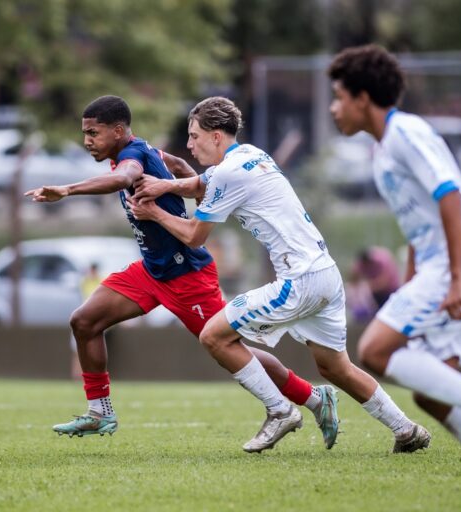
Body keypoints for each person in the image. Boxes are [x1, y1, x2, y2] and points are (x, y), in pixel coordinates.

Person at [25, 95, 339, 452]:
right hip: (151, 271)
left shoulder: (132, 158)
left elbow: (124, 178)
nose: (87, 141)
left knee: (230, 348)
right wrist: (197, 189)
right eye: (85, 133)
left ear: (117, 131)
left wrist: (66, 189)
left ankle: (313, 398)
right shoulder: (148, 152)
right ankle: (100, 411)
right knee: (84, 321)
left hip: (186, 274)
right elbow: (177, 165)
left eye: (93, 133)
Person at [129, 96, 429, 454]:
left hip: (299, 281)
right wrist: (166, 186)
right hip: (325, 274)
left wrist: (154, 213)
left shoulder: (227, 172)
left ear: (216, 136)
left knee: (213, 336)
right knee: (336, 368)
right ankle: (406, 429)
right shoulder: (250, 154)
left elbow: (195, 235)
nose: (190, 144)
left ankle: (280, 410)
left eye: (194, 136)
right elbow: (201, 185)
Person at [328, 44, 461, 511]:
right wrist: (410, 281)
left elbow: (449, 196)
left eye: (339, 96)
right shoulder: (383, 153)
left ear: (364, 98)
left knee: (375, 350)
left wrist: (458, 279)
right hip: (441, 268)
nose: (333, 107)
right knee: (432, 395)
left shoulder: (406, 132)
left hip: (459, 267)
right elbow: (419, 225)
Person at [70, 263, 103, 380]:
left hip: (96, 321)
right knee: (77, 349)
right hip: (83, 320)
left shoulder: (101, 281)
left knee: (96, 350)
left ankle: (93, 376)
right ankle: (76, 376)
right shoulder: (85, 281)